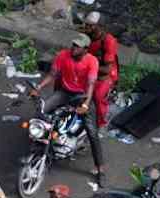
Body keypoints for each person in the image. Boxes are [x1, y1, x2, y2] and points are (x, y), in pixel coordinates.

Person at [31, 34, 106, 185]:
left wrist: (85, 105)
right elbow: (52, 74)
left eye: (78, 46)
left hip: (82, 96)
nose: (74, 48)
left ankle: (100, 169)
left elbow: (91, 84)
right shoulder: (63, 55)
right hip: (65, 93)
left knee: (92, 132)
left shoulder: (92, 61)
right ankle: (42, 143)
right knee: (42, 112)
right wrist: (38, 87)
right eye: (73, 45)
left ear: (85, 49)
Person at [84, 11, 120, 132]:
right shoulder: (86, 36)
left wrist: (89, 67)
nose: (87, 27)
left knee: (98, 97)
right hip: (90, 69)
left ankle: (100, 124)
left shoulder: (109, 41)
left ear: (100, 26)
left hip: (105, 75)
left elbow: (107, 69)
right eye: (86, 24)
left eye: (91, 25)